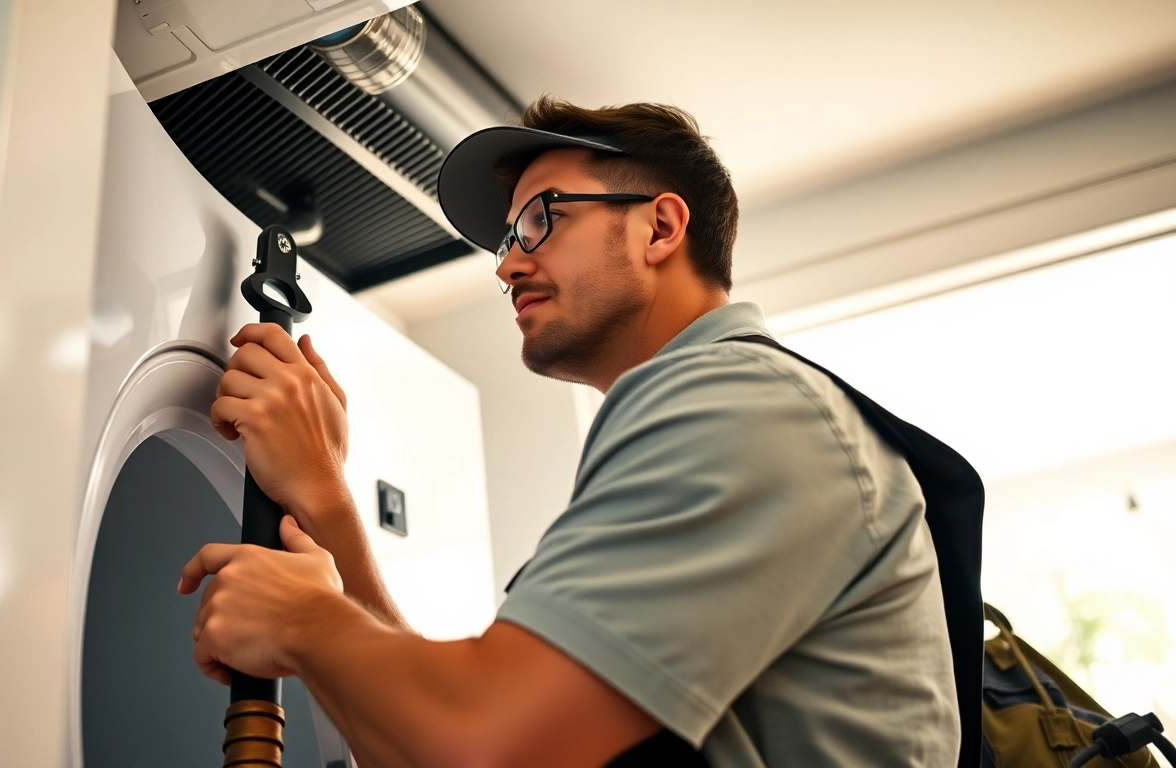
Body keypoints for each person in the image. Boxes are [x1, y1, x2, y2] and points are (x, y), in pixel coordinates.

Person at [180, 97, 960, 767]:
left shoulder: (738, 401)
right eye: (505, 241)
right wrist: (324, 500)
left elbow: (487, 745)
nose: (505, 266)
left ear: (659, 228)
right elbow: (440, 747)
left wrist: (306, 620)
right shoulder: (707, 417)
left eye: (537, 220)